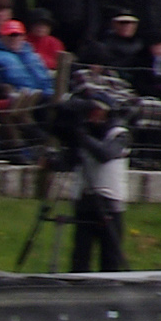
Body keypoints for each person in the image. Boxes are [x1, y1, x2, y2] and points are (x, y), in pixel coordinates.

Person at [64, 94, 132, 272]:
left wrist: (81, 137)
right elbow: (70, 162)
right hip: (84, 199)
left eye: (95, 111)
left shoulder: (119, 134)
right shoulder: (86, 133)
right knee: (80, 257)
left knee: (110, 259)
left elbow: (104, 154)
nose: (91, 116)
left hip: (109, 202)